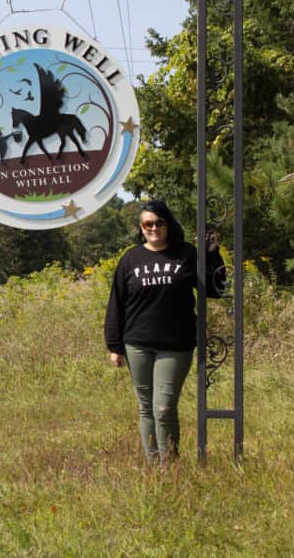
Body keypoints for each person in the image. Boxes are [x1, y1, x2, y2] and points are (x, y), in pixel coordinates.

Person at [103, 199, 224, 465]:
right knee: (146, 408)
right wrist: (114, 345)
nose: (154, 228)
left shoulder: (186, 254)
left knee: (164, 408)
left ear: (168, 224)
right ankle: (153, 465)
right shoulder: (131, 258)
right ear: (141, 227)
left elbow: (216, 290)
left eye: (159, 223)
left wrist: (213, 255)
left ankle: (169, 468)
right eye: (148, 224)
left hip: (176, 344)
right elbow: (117, 302)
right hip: (137, 344)